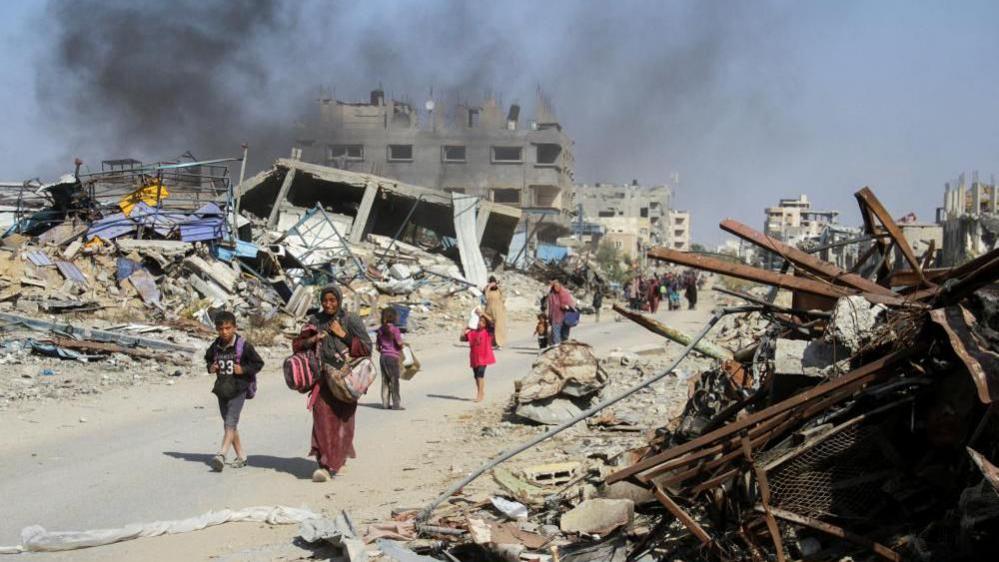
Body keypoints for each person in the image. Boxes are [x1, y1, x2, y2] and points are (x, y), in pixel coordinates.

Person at [297, 285, 372, 482]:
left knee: (343, 422)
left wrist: (343, 334)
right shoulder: (315, 321)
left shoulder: (350, 320)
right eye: (325, 300)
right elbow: (298, 345)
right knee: (322, 420)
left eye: (332, 300)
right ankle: (325, 465)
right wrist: (314, 338)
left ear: (339, 300)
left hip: (346, 380)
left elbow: (366, 348)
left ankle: (337, 460)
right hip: (322, 380)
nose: (328, 304)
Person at [205, 310, 265, 473]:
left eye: (228, 328)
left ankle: (221, 454)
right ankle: (241, 456)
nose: (224, 332)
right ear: (217, 329)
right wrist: (211, 367)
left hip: (239, 388)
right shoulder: (216, 346)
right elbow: (208, 358)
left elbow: (258, 363)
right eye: (221, 329)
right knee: (229, 424)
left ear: (234, 328)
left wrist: (243, 369)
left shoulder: (243, 346)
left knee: (230, 421)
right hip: (222, 389)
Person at [461, 311, 495, 402]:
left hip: (484, 357)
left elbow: (492, 322)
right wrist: (464, 329)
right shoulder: (472, 332)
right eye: (479, 321)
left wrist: (483, 313)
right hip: (474, 357)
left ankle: (479, 394)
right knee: (476, 376)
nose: (480, 323)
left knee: (480, 375)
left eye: (483, 322)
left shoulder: (487, 332)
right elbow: (462, 339)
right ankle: (480, 391)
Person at [376, 307, 404, 410]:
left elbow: (378, 347)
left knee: (385, 380)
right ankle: (396, 404)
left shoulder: (380, 330)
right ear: (394, 317)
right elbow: (399, 343)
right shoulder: (395, 330)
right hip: (393, 358)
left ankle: (385, 403)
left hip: (383, 357)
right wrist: (401, 347)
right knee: (394, 381)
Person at [546, 278, 575, 345]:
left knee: (564, 336)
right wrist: (549, 317)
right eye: (554, 285)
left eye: (557, 285)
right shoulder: (551, 294)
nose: (556, 287)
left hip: (566, 318)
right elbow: (549, 306)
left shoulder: (565, 293)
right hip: (555, 318)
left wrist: (565, 306)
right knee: (556, 336)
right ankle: (557, 349)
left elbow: (570, 304)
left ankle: (564, 349)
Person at [483, 276, 508, 349]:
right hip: (489, 310)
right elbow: (486, 297)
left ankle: (500, 343)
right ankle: (491, 343)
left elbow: (503, 296)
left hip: (498, 310)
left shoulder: (498, 289)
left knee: (499, 327)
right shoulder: (487, 288)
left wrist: (498, 286)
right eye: (491, 282)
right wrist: (489, 287)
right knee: (489, 326)